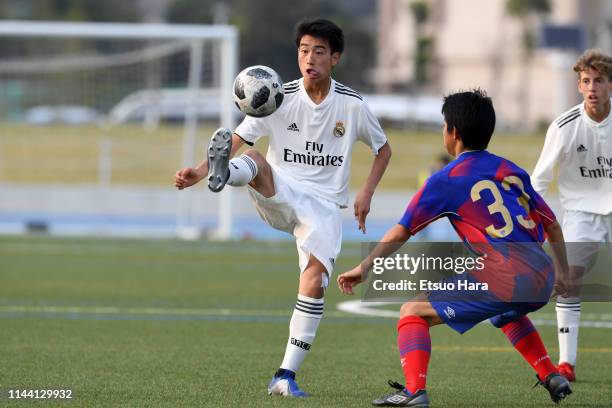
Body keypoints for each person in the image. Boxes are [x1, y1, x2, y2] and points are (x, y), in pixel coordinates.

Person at [174, 18, 391, 397]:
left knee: (314, 282)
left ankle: (284, 376)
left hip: (323, 208)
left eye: (319, 52)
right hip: (282, 190)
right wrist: (199, 171)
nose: (310, 58)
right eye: (304, 50)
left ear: (335, 58)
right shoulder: (276, 95)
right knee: (254, 159)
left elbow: (383, 149)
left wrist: (366, 193)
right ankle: (228, 175)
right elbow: (236, 138)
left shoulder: (352, 105)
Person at [337, 89, 572, 407]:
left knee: (412, 313)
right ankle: (550, 374)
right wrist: (563, 273)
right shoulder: (511, 170)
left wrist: (364, 268)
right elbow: (553, 225)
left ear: (453, 133)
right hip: (541, 274)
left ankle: (414, 392)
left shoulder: (446, 179)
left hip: (504, 272)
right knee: (504, 313)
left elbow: (401, 231)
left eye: (443, 125)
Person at [531, 49, 612, 382]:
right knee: (569, 282)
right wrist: (532, 227)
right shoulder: (564, 126)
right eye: (586, 81)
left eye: (599, 80)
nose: (592, 87)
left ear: (610, 84)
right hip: (581, 213)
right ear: (579, 86)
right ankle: (567, 363)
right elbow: (538, 181)